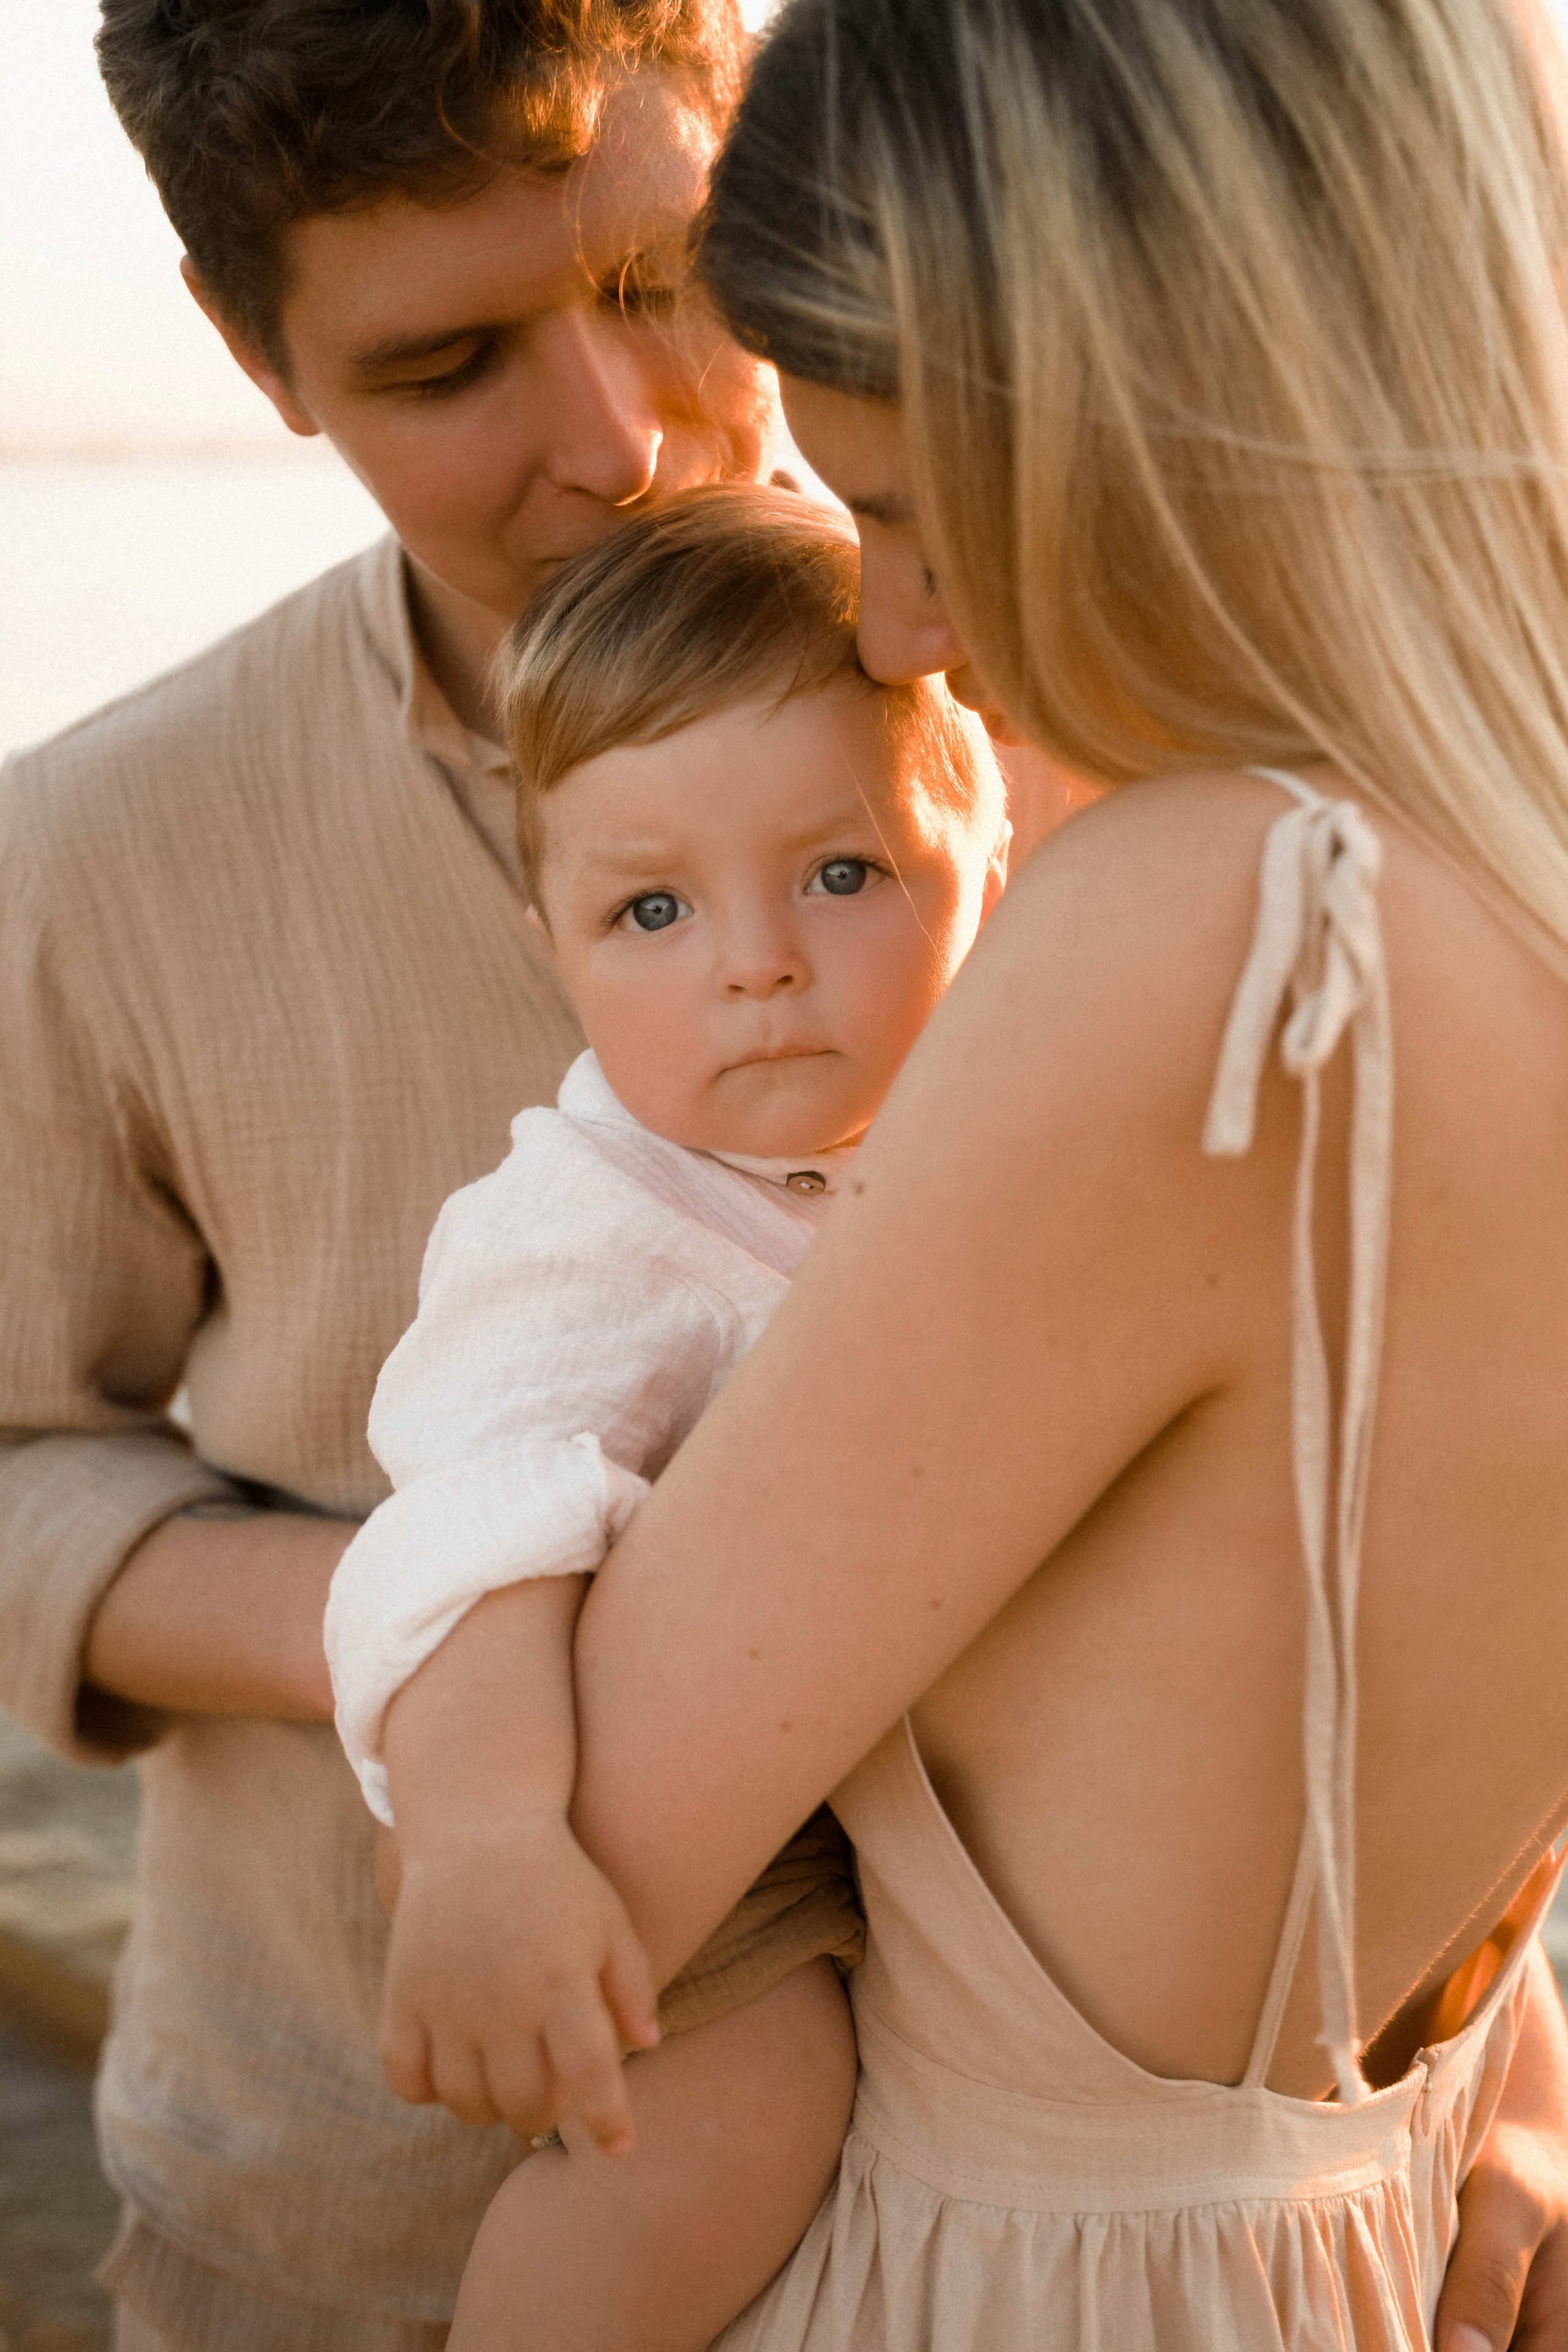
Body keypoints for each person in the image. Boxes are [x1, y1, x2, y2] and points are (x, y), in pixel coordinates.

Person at [380, 0, 1568, 2344]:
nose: (897, 624)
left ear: (1149, 404)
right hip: (1375, 2210)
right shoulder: (1501, 870)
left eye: (914, 514)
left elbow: (611, 1863)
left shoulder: (1218, 933)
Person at [0, 7, 847, 2349]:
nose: (620, 439)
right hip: (358, 2215)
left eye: (667, 278)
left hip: (1042, 2208)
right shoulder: (86, 850)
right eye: (449, 359)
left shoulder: (1085, 699)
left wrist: (1480, 2033)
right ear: (251, 353)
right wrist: (462, 1617)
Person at [326, 484, 1007, 2348]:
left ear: (988, 865)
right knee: (725, 2119)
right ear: (552, 941)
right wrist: (484, 1840)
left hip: (919, 1790)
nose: (754, 961)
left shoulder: (984, 1126)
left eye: (843, 873)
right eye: (650, 907)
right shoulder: (598, 1226)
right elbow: (475, 1530)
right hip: (640, 1803)